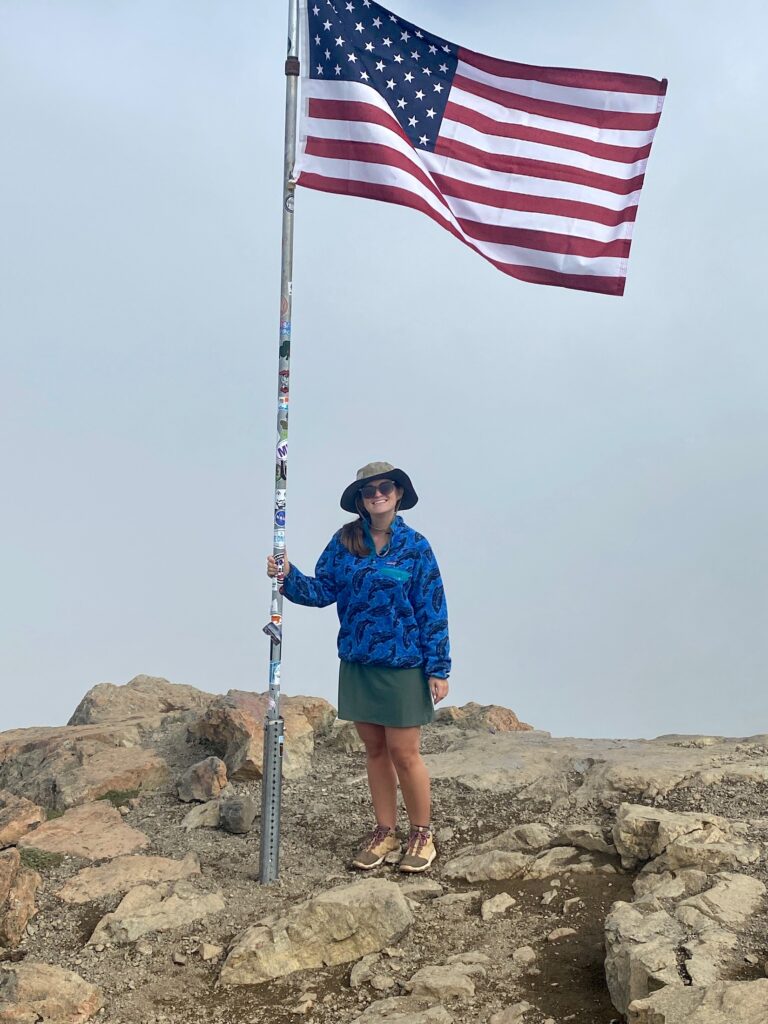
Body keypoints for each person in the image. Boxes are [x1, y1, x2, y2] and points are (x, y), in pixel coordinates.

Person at [266, 461, 450, 873]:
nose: (377, 494)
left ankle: (422, 833)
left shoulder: (416, 547)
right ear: (361, 500)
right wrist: (286, 575)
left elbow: (433, 608)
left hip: (404, 665)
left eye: (385, 487)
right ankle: (385, 830)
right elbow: (320, 591)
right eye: (369, 491)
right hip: (357, 662)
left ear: (399, 493)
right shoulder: (345, 542)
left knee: (405, 753)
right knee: (375, 750)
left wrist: (439, 667)